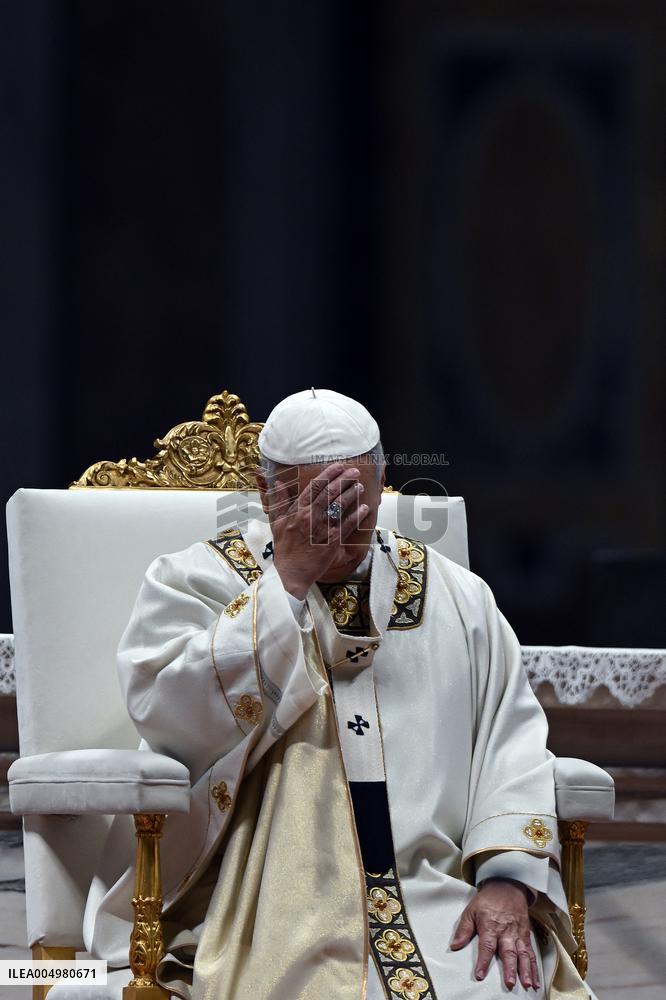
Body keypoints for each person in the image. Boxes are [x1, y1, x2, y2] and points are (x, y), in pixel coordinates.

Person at [82, 389, 593, 1000]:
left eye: (357, 505)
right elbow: (168, 713)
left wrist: (507, 879)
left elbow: (510, 741)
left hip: (434, 891)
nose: (341, 529)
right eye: (321, 506)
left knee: (499, 990)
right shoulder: (196, 581)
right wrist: (288, 583)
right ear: (268, 492)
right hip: (258, 903)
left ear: (382, 480)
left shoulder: (459, 599)